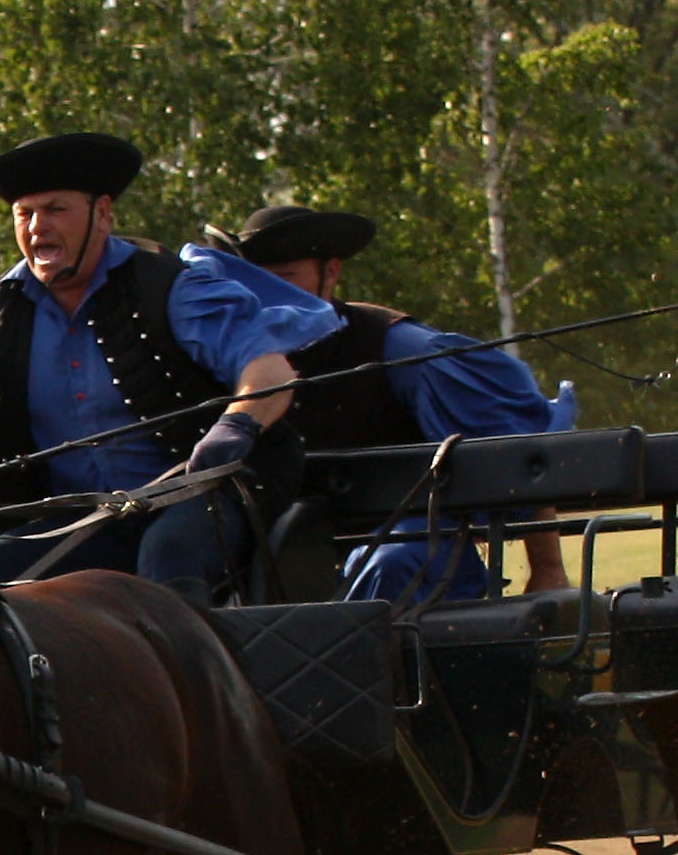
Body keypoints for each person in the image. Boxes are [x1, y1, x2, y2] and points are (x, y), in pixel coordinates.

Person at [0, 131, 277, 597]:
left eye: (55, 210)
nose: (37, 227)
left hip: (203, 498)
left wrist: (236, 427)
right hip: (85, 518)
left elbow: (268, 371)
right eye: (24, 214)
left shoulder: (173, 288)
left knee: (169, 552)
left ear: (101, 214)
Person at [170, 204, 574, 603]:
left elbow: (517, 447)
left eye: (286, 277)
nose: (271, 294)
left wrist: (547, 570)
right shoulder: (226, 353)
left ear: (331, 272)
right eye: (260, 281)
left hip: (408, 539)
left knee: (386, 565)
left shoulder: (397, 349)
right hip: (291, 539)